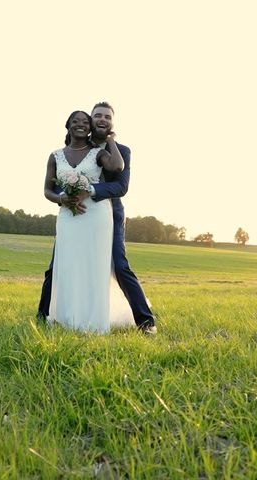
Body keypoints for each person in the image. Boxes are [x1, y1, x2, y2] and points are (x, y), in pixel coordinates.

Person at [38, 102, 157, 334]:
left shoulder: (120, 150)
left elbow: (121, 186)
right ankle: (44, 315)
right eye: (97, 116)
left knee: (120, 266)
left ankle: (146, 322)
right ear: (91, 121)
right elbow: (52, 184)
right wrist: (66, 197)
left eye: (107, 117)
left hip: (108, 214)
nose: (102, 120)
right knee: (56, 267)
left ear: (112, 123)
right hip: (73, 215)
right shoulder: (81, 147)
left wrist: (89, 190)